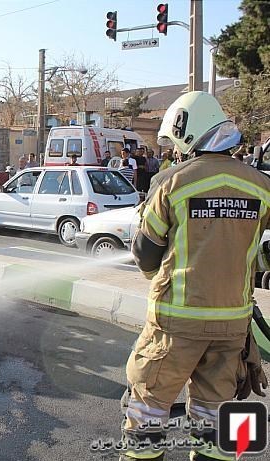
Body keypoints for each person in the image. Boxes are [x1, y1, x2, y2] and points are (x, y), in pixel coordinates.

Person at [120, 91, 270, 461]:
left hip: (175, 325)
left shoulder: (173, 182)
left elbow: (145, 253)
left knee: (147, 412)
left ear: (185, 132)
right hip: (233, 325)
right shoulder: (261, 186)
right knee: (217, 422)